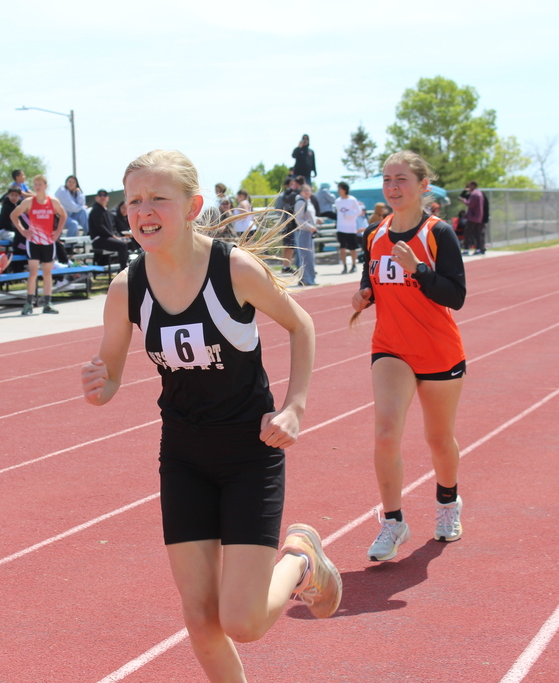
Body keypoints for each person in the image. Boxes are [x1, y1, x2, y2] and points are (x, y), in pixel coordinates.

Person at [81, 150, 340, 683]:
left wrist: (294, 406)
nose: (143, 209)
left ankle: (301, 561)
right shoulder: (126, 288)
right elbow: (107, 380)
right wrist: (97, 385)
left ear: (193, 205)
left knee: (241, 623)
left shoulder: (234, 270)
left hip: (250, 452)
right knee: (201, 620)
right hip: (183, 456)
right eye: (133, 200)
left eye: (158, 198)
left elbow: (302, 326)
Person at [351, 150, 467, 563]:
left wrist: (419, 270)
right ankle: (393, 521)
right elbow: (371, 279)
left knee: (438, 439)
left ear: (422, 186)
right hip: (391, 349)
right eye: (387, 180)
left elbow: (456, 295)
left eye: (401, 179)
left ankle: (448, 503)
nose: (393, 187)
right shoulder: (373, 234)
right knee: (385, 434)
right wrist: (363, 296)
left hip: (438, 351)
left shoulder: (439, 234)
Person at [10, 175, 68, 315]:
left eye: (40, 184)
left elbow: (63, 215)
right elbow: (13, 215)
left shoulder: (52, 201)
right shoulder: (29, 202)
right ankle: (29, 303)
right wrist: (23, 231)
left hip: (48, 241)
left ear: (45, 186)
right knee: (33, 272)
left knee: (47, 272)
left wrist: (57, 232)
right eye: (35, 184)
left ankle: (47, 303)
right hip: (34, 242)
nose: (37, 186)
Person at [88, 189, 132, 272]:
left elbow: (113, 228)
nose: (102, 197)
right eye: (100, 195)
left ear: (107, 198)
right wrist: (114, 237)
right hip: (99, 240)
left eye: (104, 195)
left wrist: (119, 237)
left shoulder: (107, 212)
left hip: (108, 238)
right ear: (96, 198)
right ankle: (124, 270)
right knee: (122, 245)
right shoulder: (95, 210)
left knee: (128, 242)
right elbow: (100, 227)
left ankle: (133, 267)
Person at [293, 184, 320, 286]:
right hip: (303, 232)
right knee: (306, 257)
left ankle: (305, 279)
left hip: (308, 232)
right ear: (300, 192)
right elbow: (298, 219)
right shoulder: (301, 202)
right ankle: (308, 279)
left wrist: (316, 220)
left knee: (308, 256)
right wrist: (310, 226)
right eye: (305, 190)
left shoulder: (308, 202)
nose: (307, 192)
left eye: (309, 190)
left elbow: (309, 217)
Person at [274, 177, 301, 272]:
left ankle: (288, 265)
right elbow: (277, 209)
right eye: (291, 185)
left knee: (292, 246)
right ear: (286, 186)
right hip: (286, 224)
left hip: (293, 223)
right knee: (287, 245)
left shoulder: (294, 195)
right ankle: (285, 266)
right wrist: (283, 220)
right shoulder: (283, 196)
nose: (292, 187)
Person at [334, 181, 361, 274]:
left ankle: (354, 265)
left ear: (345, 190)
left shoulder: (352, 200)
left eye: (340, 188)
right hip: (341, 228)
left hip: (351, 228)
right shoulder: (337, 201)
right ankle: (344, 266)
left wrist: (350, 214)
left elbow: (359, 211)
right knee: (342, 248)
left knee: (352, 248)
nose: (338, 191)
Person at [459, 181, 486, 255]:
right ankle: (479, 249)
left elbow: (470, 204)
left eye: (470, 186)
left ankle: (466, 249)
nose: (469, 188)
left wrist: (464, 200)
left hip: (472, 217)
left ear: (473, 186)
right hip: (478, 217)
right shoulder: (479, 193)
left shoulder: (474, 194)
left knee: (467, 233)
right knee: (477, 234)